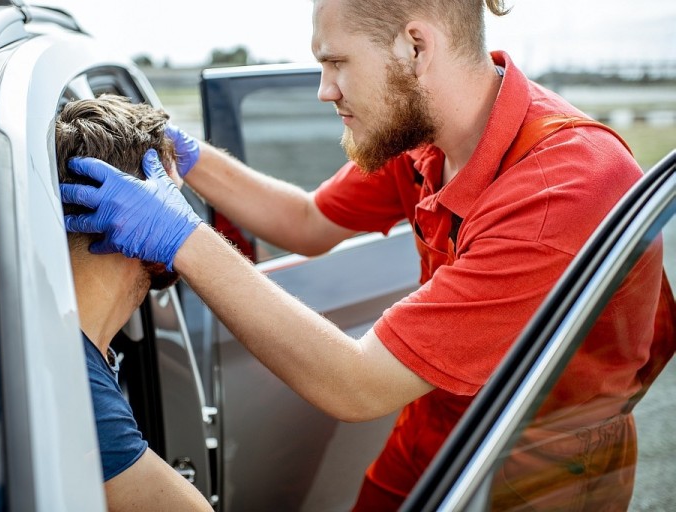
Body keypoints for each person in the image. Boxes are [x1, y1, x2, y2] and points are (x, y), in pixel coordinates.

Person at [60, 0, 674, 510]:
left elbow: (355, 385)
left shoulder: (561, 190)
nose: (325, 90)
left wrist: (180, 238)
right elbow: (305, 222)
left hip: (540, 466)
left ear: (415, 47)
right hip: (438, 423)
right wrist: (184, 153)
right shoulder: (422, 137)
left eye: (335, 62)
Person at [54, 95, 212, 512]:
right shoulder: (70, 382)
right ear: (126, 212)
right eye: (173, 202)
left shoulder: (54, 339)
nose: (186, 220)